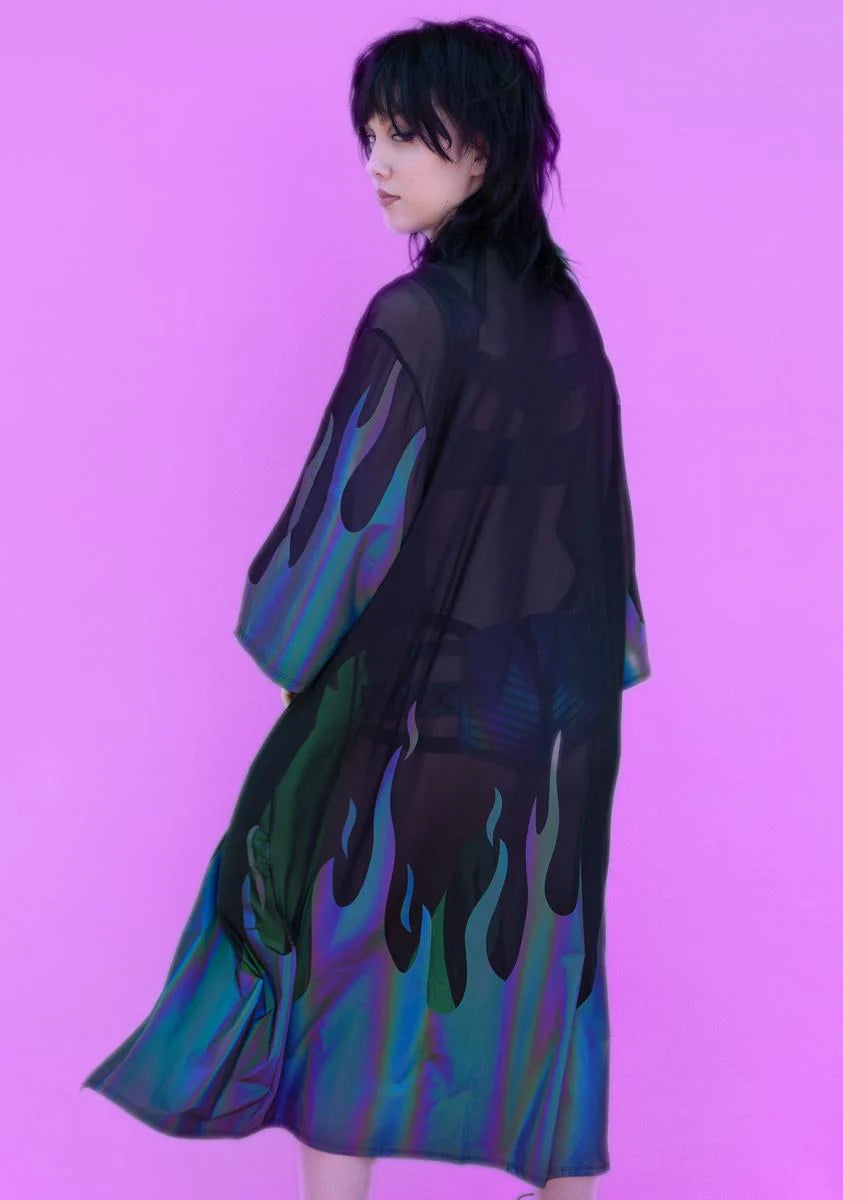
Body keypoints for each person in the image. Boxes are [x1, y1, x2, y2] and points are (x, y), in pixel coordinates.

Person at [81, 17, 651, 1200]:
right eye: (373, 136)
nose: (379, 164)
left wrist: (291, 646)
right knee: (545, 988)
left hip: (400, 727)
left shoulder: (415, 318)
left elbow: (343, 531)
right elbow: (599, 539)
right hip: (544, 736)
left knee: (342, 976)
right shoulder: (572, 321)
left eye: (406, 136)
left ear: (480, 149)